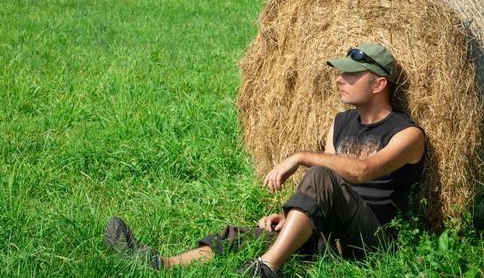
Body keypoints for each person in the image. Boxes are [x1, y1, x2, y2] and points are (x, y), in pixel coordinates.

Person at [104, 43, 425, 277]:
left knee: (321, 173)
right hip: (332, 234)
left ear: (379, 83)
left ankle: (266, 269)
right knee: (247, 236)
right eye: (341, 72)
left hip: (373, 240)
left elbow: (361, 171)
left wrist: (300, 156)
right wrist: (294, 214)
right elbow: (327, 189)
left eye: (352, 74)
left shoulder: (408, 134)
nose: (340, 78)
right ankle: (159, 264)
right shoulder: (340, 123)